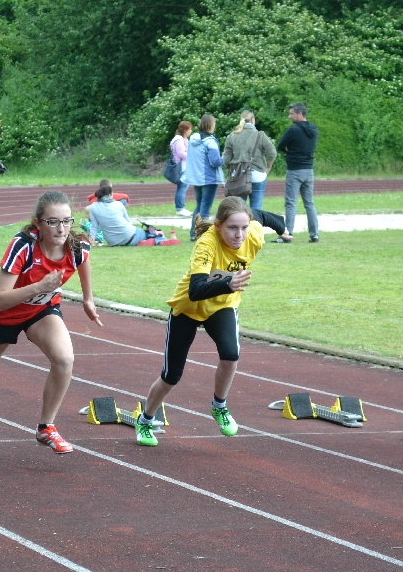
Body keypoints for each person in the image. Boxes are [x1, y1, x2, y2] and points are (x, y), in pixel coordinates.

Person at [0, 191, 101, 455]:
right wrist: (39, 286)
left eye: (66, 221)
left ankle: (46, 426)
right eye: (53, 222)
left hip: (41, 311)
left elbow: (83, 262)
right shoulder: (23, 246)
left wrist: (88, 298)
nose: (61, 229)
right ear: (38, 223)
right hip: (5, 314)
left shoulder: (76, 246)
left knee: (64, 359)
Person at [134, 196, 293, 447]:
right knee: (171, 375)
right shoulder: (206, 244)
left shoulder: (253, 234)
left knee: (231, 355)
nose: (239, 235)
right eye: (232, 228)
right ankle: (145, 420)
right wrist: (228, 283)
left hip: (222, 305)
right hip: (189, 307)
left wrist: (282, 228)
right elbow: (196, 290)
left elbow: (265, 216)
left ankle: (219, 406)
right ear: (218, 226)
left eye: (244, 227)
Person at [86, 179, 179, 246]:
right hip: (130, 236)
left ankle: (146, 242)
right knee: (148, 233)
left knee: (143, 235)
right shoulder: (118, 204)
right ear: (110, 194)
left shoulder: (93, 207)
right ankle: (158, 241)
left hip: (113, 242)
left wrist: (90, 242)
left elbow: (94, 227)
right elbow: (128, 222)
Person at [276, 102, 319, 243]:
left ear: (300, 114)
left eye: (292, 113)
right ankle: (314, 234)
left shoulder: (293, 130)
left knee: (291, 203)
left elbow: (280, 146)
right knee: (309, 203)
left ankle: (288, 234)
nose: (290, 116)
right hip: (309, 170)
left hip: (294, 170)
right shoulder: (314, 129)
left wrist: (289, 150)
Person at [222, 110, 277, 212]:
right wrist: (267, 168)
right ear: (253, 120)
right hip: (258, 175)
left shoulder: (232, 136)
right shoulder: (260, 135)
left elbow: (226, 159)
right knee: (256, 209)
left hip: (239, 176)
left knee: (239, 209)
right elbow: (272, 153)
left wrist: (232, 170)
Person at [183, 113, 224, 240]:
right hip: (209, 178)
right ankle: (201, 233)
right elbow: (215, 161)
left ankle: (193, 232)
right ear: (211, 125)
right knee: (205, 207)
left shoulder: (193, 139)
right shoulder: (210, 141)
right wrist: (224, 158)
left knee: (199, 206)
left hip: (196, 178)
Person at [170, 121, 193, 217]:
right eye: (190, 129)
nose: (191, 131)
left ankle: (181, 207)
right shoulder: (179, 139)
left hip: (184, 167)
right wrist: (192, 155)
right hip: (181, 167)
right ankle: (180, 208)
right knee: (182, 187)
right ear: (185, 130)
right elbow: (181, 153)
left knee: (183, 187)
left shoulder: (183, 139)